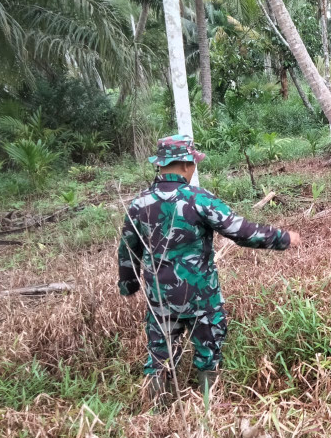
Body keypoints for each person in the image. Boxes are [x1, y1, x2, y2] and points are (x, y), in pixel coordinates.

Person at [117, 135, 300, 403]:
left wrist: (129, 285)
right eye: (193, 163)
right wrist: (282, 238)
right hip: (201, 297)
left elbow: (127, 251)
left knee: (159, 356)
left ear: (161, 164)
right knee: (209, 352)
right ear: (186, 164)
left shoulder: (139, 204)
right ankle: (208, 406)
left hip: (160, 298)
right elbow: (240, 231)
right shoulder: (199, 199)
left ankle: (159, 408)